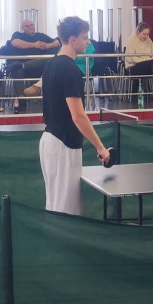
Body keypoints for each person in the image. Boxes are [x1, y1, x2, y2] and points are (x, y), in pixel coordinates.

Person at [40, 15, 112, 213]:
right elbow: (78, 116)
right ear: (73, 40)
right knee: (67, 210)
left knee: (54, 205)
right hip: (63, 145)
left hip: (49, 140)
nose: (88, 42)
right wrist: (101, 148)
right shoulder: (71, 70)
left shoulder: (51, 64)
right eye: (85, 37)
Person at [123, 22, 153, 99]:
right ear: (138, 32)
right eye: (144, 34)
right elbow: (132, 58)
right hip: (134, 67)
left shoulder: (148, 40)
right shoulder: (131, 40)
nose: (146, 36)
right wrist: (146, 60)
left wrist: (148, 60)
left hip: (149, 65)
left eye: (148, 34)